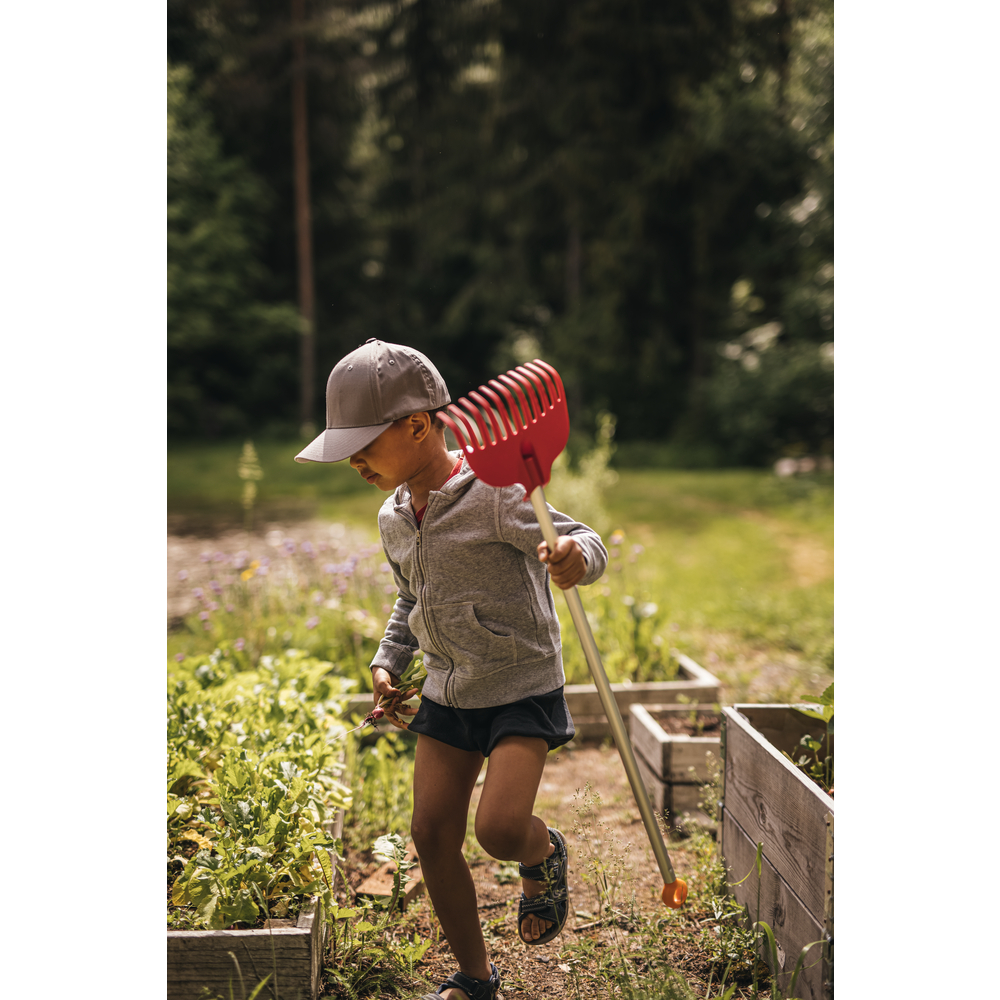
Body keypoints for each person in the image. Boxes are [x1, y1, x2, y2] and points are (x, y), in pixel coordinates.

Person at [295, 339, 608, 1000]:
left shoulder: (496, 494)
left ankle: (543, 851)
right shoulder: (393, 517)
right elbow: (411, 597)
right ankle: (475, 976)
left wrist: (575, 557)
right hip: (447, 690)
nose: (354, 462)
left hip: (518, 687)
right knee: (432, 833)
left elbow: (584, 539)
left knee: (498, 830)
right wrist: (388, 659)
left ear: (417, 425)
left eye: (362, 445)